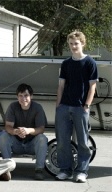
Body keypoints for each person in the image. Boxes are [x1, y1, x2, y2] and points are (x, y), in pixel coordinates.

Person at [55, 31, 98, 183]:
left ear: (82, 44)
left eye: (76, 43)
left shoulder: (90, 63)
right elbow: (61, 85)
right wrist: (58, 105)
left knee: (83, 142)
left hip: (81, 108)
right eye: (71, 43)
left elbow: (92, 87)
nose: (74, 46)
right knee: (62, 141)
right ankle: (65, 170)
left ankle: (81, 171)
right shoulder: (66, 63)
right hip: (64, 107)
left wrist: (86, 105)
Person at [0, 83, 48, 180]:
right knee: (4, 136)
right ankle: (7, 168)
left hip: (32, 145)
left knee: (42, 138)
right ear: (17, 97)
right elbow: (8, 126)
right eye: (20, 96)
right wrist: (15, 131)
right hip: (16, 143)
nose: (23, 98)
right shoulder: (13, 106)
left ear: (31, 96)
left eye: (26, 95)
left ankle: (39, 169)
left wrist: (28, 130)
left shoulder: (37, 107)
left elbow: (41, 129)